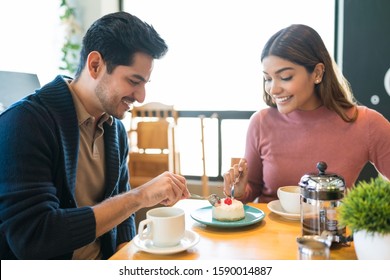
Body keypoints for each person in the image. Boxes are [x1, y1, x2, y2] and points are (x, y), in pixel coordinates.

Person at [0, 11, 190, 260]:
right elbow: (36, 238)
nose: (141, 96)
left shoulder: (115, 131)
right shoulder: (25, 123)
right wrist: (140, 196)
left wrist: (125, 259)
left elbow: (122, 217)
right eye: (134, 81)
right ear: (95, 65)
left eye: (145, 83)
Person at [223, 24, 390, 204]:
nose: (273, 89)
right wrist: (238, 191)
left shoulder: (365, 123)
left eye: (285, 77)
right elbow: (252, 188)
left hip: (330, 229)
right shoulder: (261, 122)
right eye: (268, 79)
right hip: (269, 231)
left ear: (317, 73)